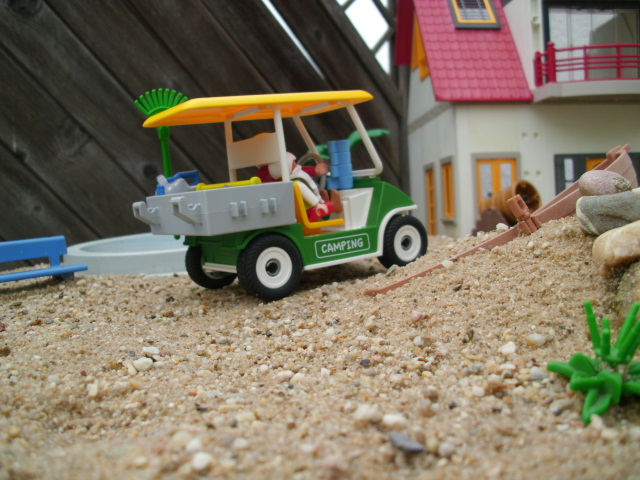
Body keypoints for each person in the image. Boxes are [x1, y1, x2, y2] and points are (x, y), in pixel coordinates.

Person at [262, 154, 341, 222]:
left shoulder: (290, 182)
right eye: (293, 164)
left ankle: (324, 202)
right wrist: (317, 204)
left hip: (308, 207)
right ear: (287, 167)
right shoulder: (297, 184)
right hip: (310, 210)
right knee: (322, 210)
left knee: (322, 201)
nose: (296, 165)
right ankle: (333, 206)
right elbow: (309, 196)